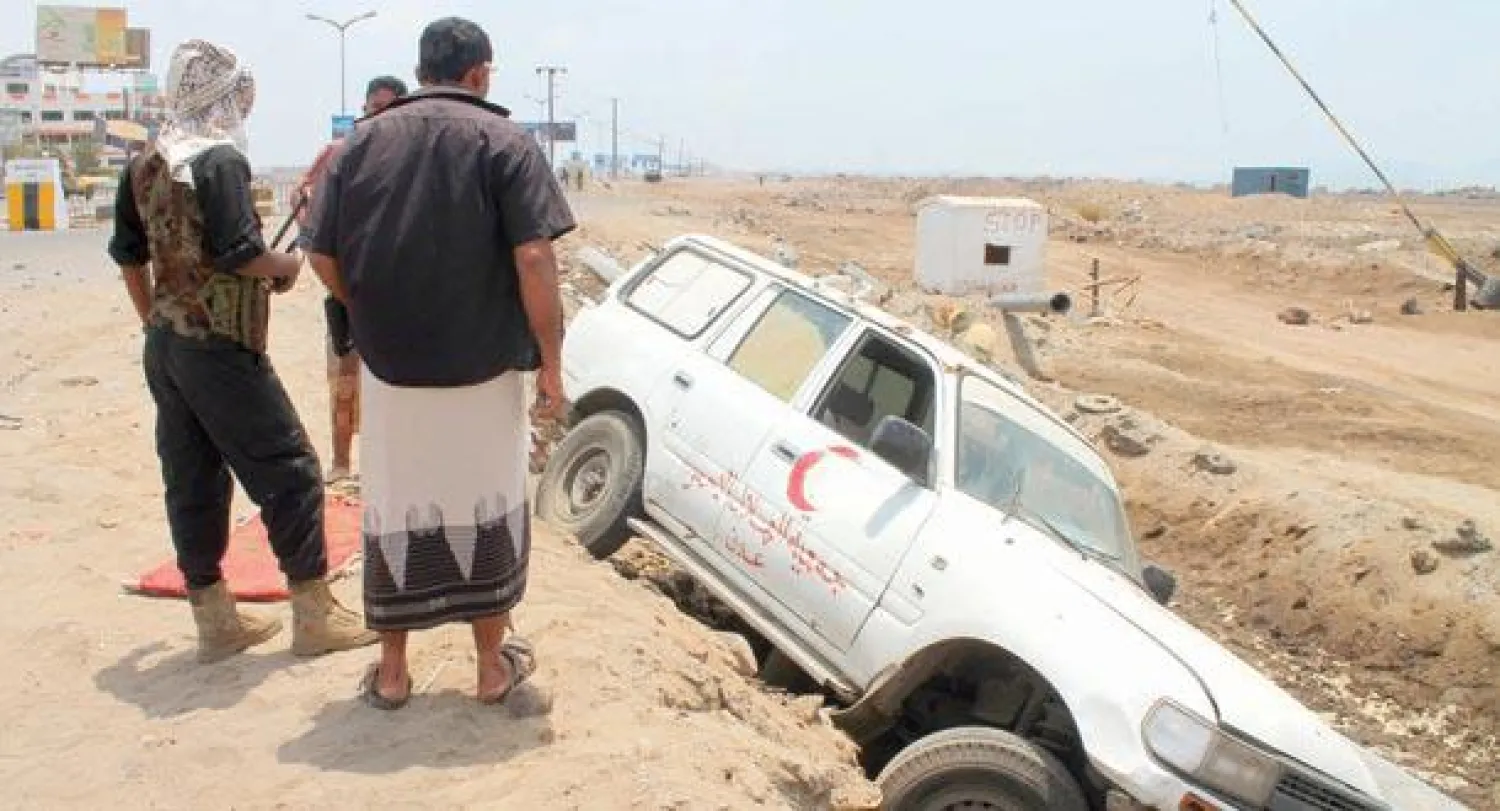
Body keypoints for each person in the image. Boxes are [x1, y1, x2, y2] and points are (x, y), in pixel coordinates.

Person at [304, 17, 576, 710]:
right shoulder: (505, 140)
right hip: (484, 371)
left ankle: (393, 672)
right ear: (480, 72)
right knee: (486, 503)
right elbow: (535, 256)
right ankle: (489, 666)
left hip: (391, 372)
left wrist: (368, 309)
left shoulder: (362, 142)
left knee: (397, 505)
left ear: (421, 69)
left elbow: (320, 252)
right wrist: (551, 362)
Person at [108, 39, 378, 664]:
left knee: (193, 474)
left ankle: (214, 618)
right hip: (222, 346)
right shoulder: (220, 159)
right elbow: (239, 252)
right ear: (223, 95)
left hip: (167, 346)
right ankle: (313, 613)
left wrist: (154, 319)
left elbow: (129, 255)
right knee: (290, 469)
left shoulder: (145, 159)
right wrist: (284, 265)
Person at [293, 75, 409, 484]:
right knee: (345, 377)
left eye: (388, 108)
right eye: (373, 108)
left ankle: (384, 466)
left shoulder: (413, 156)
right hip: (348, 287)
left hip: (397, 289)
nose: (379, 116)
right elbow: (303, 200)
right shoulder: (340, 153)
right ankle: (341, 463)